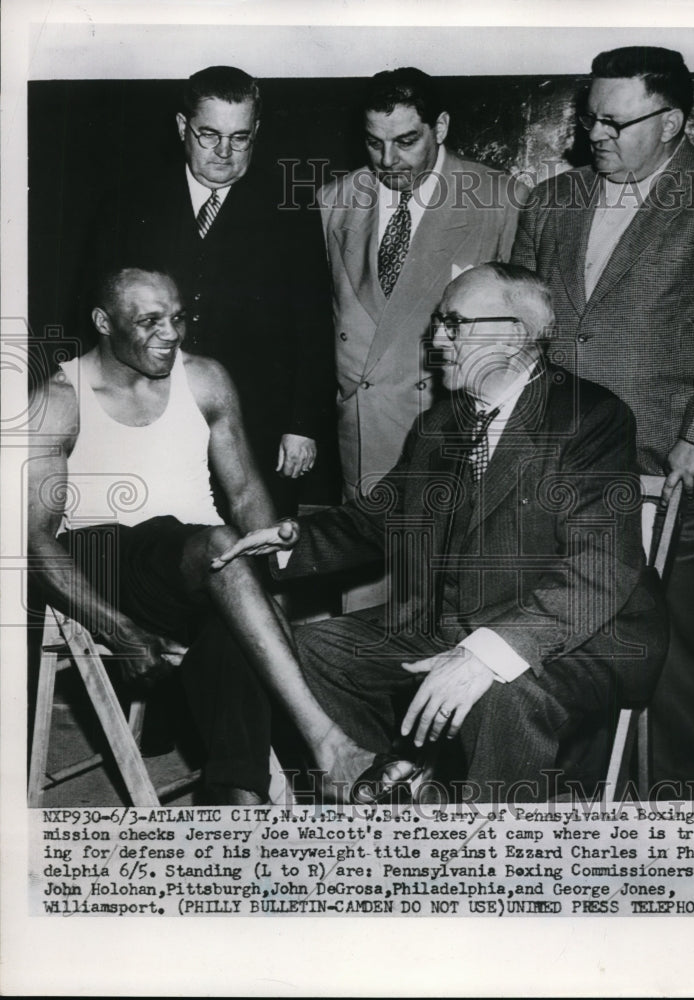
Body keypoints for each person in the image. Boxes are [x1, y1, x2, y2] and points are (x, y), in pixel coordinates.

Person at [212, 264, 667, 803]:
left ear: (514, 334)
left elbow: (598, 567)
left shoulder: (590, 418)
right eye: (437, 324)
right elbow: (380, 518)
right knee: (303, 653)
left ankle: (484, 849)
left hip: (571, 636)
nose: (436, 339)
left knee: (501, 691)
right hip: (449, 623)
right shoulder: (440, 425)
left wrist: (487, 654)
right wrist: (290, 541)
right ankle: (390, 790)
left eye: (454, 323)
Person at [27, 265, 375, 805]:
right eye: (149, 321)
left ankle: (238, 801)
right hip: (104, 559)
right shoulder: (59, 398)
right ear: (103, 321)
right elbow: (34, 540)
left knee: (233, 628)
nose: (171, 333)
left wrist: (269, 573)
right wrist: (118, 629)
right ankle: (326, 742)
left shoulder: (205, 378)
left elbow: (246, 494)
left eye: (177, 317)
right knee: (219, 548)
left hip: (197, 566)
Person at [511, 46, 694, 793]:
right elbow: (518, 328)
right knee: (568, 642)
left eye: (615, 122)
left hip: (676, 470)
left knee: (678, 659)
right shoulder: (551, 200)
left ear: (671, 122)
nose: (596, 135)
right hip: (564, 467)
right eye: (591, 119)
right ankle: (578, 808)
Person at [86, 66, 334, 514]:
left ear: (256, 131)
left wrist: (303, 425)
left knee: (259, 542)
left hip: (258, 425)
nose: (224, 151)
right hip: (153, 414)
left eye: (240, 138)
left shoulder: (291, 209)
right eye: (209, 135)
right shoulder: (129, 204)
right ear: (183, 126)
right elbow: (99, 322)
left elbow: (314, 323)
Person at [319, 67, 523, 502]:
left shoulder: (500, 201)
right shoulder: (334, 201)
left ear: (440, 127)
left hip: (451, 435)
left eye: (406, 141)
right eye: (374, 142)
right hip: (363, 438)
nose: (387, 160)